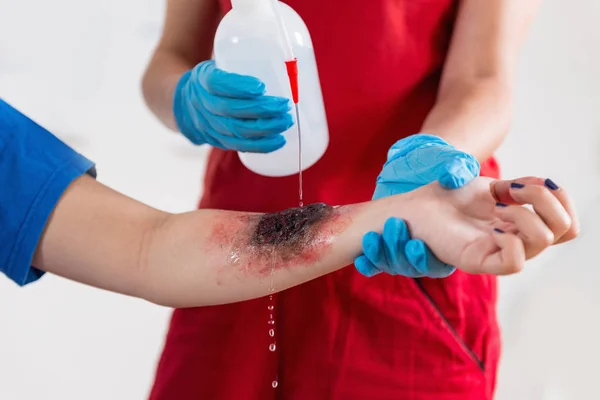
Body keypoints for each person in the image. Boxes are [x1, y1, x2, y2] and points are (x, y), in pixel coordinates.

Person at [142, 0, 546, 398]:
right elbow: (169, 59)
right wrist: (186, 100)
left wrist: (435, 152)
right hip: (239, 252)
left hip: (400, 243)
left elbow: (482, 77)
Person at [0, 97, 577, 308]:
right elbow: (148, 252)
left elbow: (147, 249)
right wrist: (183, 98)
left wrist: (411, 204)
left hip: (402, 255)